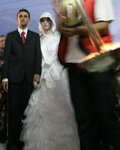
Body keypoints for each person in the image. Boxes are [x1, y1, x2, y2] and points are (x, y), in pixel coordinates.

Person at [58, 0, 120, 150]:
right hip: (74, 65)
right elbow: (62, 28)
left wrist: (77, 30)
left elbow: (103, 25)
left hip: (96, 62)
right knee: (83, 121)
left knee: (105, 117)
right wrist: (60, 16)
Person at [21, 12, 80, 150]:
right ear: (40, 23)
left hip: (58, 73)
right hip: (42, 74)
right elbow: (36, 59)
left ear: (52, 22)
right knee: (41, 111)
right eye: (42, 20)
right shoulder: (38, 40)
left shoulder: (58, 37)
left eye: (48, 20)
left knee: (61, 109)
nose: (45, 22)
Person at [2, 9, 42, 150]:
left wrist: (37, 73)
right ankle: (13, 142)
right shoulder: (11, 36)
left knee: (27, 113)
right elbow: (5, 58)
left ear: (29, 20)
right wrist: (5, 77)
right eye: (21, 16)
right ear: (17, 19)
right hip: (14, 79)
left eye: (25, 16)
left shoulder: (35, 37)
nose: (23, 18)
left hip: (29, 79)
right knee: (13, 112)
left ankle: (25, 141)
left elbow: (38, 57)